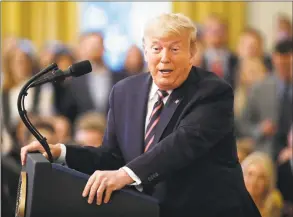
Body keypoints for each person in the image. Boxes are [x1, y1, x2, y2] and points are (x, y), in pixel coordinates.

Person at [21, 13, 261, 217]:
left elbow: (181, 145)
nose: (164, 57)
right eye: (156, 48)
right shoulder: (125, 92)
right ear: (145, 50)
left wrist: (124, 175)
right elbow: (112, 157)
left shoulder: (213, 91)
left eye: (175, 48)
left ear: (192, 51)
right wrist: (61, 152)